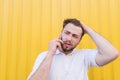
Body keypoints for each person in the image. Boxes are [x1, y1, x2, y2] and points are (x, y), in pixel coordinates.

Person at [27, 18, 119, 80]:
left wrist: (88, 30)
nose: (69, 38)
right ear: (61, 33)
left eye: (75, 36)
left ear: (79, 41)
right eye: (67, 33)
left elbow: (112, 54)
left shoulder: (85, 56)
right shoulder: (44, 56)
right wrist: (51, 53)